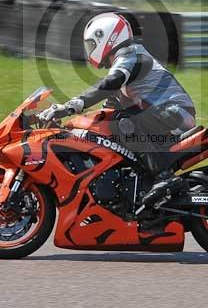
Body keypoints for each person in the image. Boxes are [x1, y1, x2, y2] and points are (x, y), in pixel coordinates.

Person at [39, 12, 196, 185]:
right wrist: (70, 127)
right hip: (164, 114)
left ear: (106, 38)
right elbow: (108, 109)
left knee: (124, 125)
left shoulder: (132, 57)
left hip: (175, 112)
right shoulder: (125, 63)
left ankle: (162, 178)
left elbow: (110, 83)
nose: (90, 50)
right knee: (109, 126)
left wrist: (71, 106)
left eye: (92, 45)